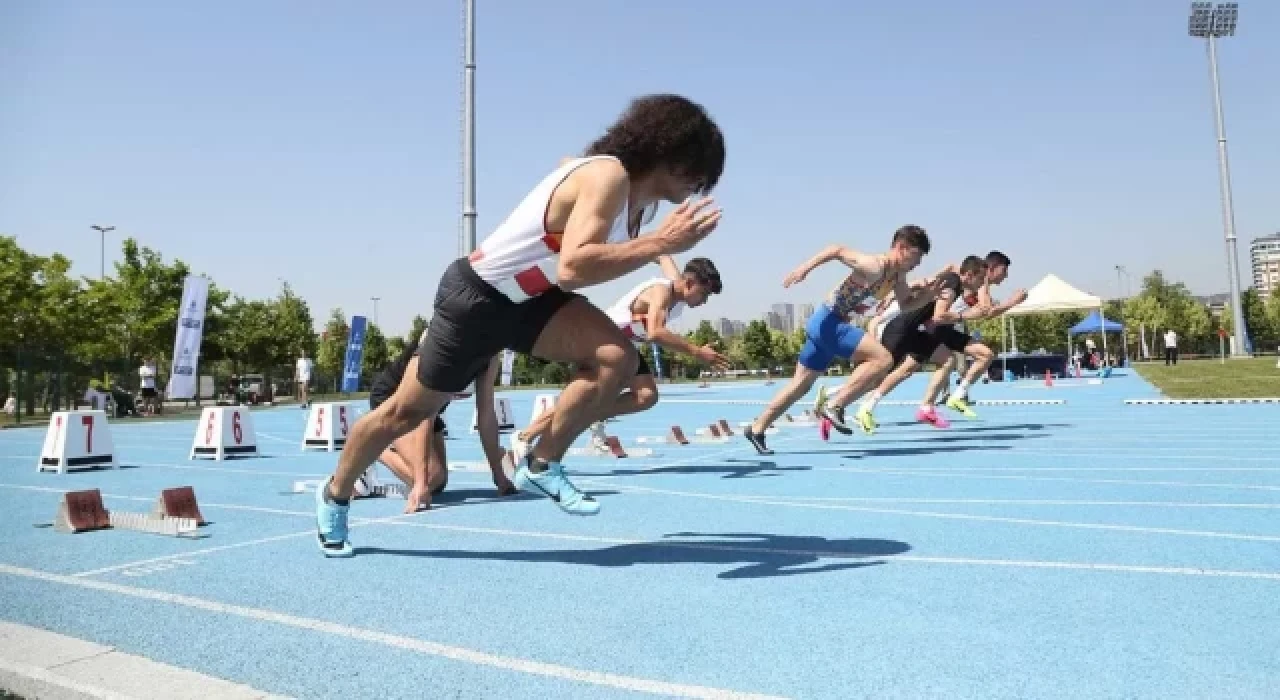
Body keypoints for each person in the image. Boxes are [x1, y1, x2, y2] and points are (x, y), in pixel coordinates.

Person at [315, 94, 726, 557]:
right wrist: (659, 243)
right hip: (477, 299)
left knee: (616, 357)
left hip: (532, 301)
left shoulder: (640, 205)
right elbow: (573, 267)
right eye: (700, 171)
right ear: (668, 151)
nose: (700, 186)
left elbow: (570, 172)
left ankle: (542, 461)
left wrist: (657, 242)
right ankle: (335, 494)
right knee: (403, 415)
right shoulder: (607, 175)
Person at [742, 225, 945, 456]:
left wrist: (929, 296)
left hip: (829, 327)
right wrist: (804, 268)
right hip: (828, 322)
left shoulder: (898, 277)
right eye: (916, 255)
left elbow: (906, 305)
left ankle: (757, 428)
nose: (918, 263)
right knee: (883, 359)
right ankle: (835, 405)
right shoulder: (875, 265)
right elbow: (836, 250)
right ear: (901, 247)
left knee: (800, 386)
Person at [510, 256, 728, 461]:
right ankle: (524, 437)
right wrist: (697, 352)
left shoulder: (678, 287)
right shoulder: (661, 292)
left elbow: (663, 256)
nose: (704, 301)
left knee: (646, 396)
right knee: (581, 400)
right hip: (602, 344)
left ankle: (592, 416)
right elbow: (655, 332)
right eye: (704, 294)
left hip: (626, 350)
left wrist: (652, 250)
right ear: (689, 283)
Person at [822, 255, 993, 433]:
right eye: (981, 278)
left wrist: (896, 296)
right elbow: (939, 316)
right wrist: (966, 315)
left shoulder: (953, 281)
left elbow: (926, 285)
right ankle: (835, 404)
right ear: (970, 275)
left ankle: (926, 408)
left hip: (915, 332)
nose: (982, 284)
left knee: (947, 360)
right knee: (876, 378)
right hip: (900, 332)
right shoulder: (952, 284)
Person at [364, 328, 516, 513]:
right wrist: (420, 484)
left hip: (429, 408)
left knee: (438, 482)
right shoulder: (444, 342)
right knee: (431, 479)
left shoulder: (490, 354)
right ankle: (372, 448)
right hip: (394, 400)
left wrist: (499, 474)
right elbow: (424, 418)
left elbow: (486, 413)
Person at [928, 250, 1028, 412]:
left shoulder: (979, 283)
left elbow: (952, 266)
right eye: (1004, 271)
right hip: (935, 325)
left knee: (981, 356)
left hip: (947, 326)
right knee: (903, 367)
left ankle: (953, 397)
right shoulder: (981, 284)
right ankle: (936, 402)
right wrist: (1012, 302)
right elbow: (988, 312)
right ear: (992, 268)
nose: (1006, 276)